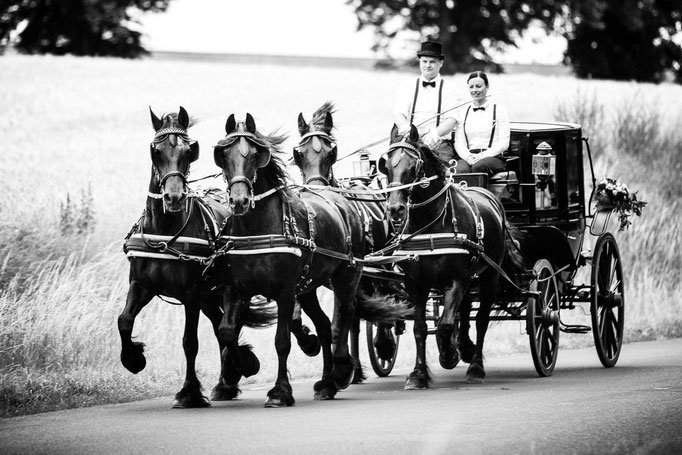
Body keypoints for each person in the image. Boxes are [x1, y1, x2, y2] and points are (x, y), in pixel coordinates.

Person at [392, 40, 465, 164]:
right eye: (424, 61)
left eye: (432, 62)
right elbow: (399, 114)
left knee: (438, 174)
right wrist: (406, 129)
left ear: (440, 63)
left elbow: (451, 120)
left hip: (439, 143)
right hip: (410, 141)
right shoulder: (407, 86)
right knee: (396, 170)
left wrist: (434, 135)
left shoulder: (451, 89)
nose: (428, 65)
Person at [453, 71, 510, 175]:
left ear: (487, 86)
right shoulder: (463, 112)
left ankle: (479, 192)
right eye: (471, 87)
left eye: (478, 86)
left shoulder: (499, 110)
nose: (475, 90)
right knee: (460, 170)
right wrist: (468, 157)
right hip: (469, 156)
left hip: (492, 157)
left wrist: (481, 156)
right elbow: (459, 142)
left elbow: (504, 143)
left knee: (478, 167)